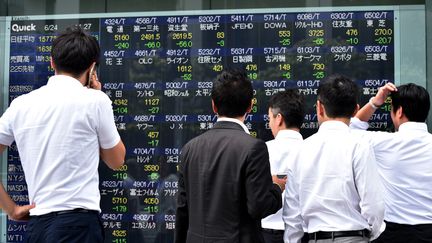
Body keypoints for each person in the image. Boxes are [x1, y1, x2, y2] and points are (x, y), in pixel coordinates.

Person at [0, 26, 126, 243]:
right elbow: (116, 161)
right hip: (78, 225)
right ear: (92, 67)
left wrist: (10, 208)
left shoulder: (20, 105)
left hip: (37, 226)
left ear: (52, 62)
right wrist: (99, 96)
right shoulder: (96, 101)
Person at [175, 69, 284, 243]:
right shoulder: (254, 148)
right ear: (250, 106)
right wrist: (276, 188)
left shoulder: (189, 148)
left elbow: (182, 210)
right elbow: (259, 206)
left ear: (213, 106)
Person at [283, 74, 385, 243]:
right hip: (354, 237)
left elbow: (292, 213)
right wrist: (368, 234)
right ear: (355, 110)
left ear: (319, 108)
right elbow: (374, 204)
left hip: (315, 238)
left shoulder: (300, 150)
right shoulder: (359, 145)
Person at [351, 82, 432, 243]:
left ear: (399, 111)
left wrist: (375, 102)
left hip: (394, 233)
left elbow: (350, 130)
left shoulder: (382, 142)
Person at [261, 90, 305, 243]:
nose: (269, 124)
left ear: (279, 118)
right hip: (306, 234)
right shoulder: (314, 151)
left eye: (270, 118)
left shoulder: (261, 150)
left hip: (267, 234)